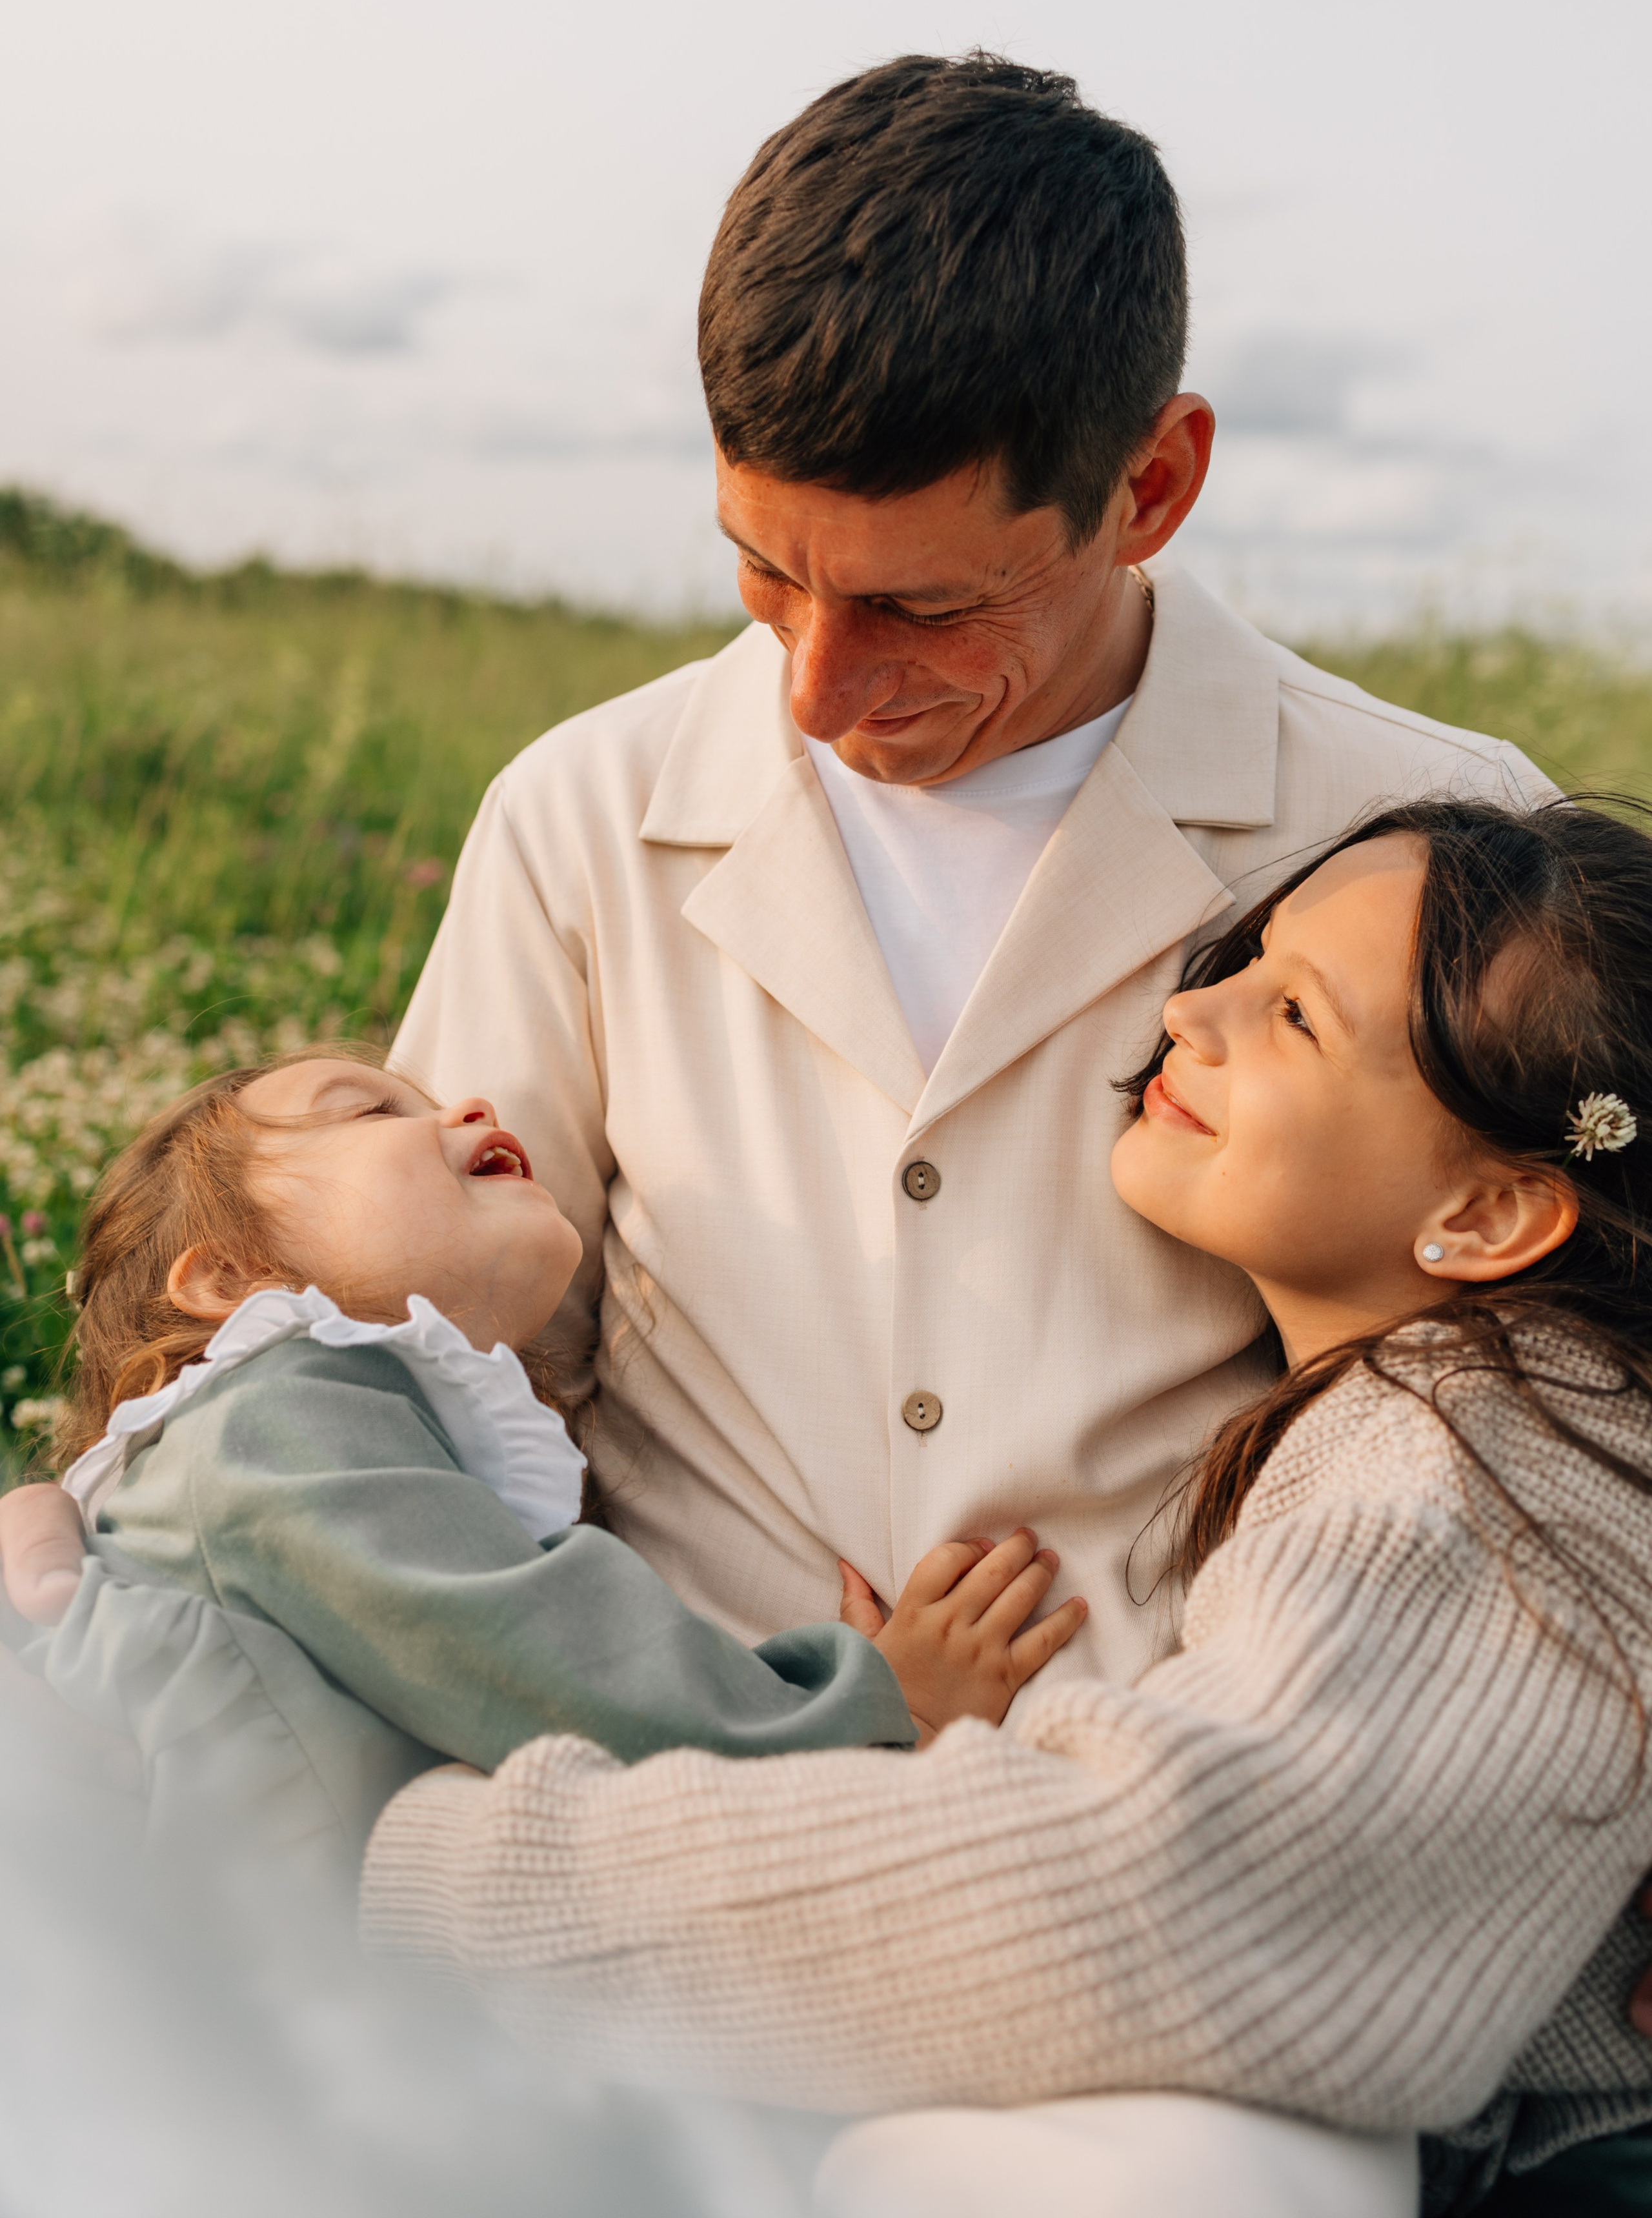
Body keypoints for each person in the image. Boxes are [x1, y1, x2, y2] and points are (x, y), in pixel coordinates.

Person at [381, 51, 1550, 2208]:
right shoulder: (578, 810)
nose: (817, 695)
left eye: (922, 607)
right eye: (760, 577)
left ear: (1159, 480)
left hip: (1164, 2001)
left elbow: (1576, 1429)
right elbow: (415, 1353)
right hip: (656, 1860)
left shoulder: (1444, 848)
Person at [363, 796, 1652, 2216]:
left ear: (1484, 1216)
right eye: (1250, 959)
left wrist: (439, 1873)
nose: (1195, 1009)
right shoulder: (1490, 1415)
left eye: (1294, 1018)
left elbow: (1178, 1899)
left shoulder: (1466, 1461)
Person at [0, 1047, 1080, 1884]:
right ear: (234, 1278)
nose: (462, 1108)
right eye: (372, 1111)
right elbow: (536, 1652)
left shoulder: (322, 1432)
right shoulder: (269, 1417)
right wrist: (861, 1703)